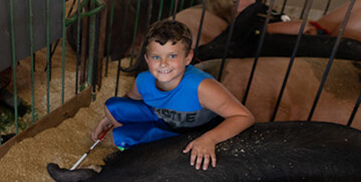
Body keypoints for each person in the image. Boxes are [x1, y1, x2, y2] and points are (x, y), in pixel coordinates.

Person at [91, 19, 254, 169]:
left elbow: (244, 116)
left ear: (188, 57)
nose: (163, 63)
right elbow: (130, 100)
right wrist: (107, 118)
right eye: (156, 57)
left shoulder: (202, 87)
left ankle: (156, 150)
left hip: (191, 133)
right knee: (112, 107)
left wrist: (209, 139)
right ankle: (150, 143)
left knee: (122, 138)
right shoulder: (143, 80)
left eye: (172, 55)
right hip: (162, 121)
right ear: (147, 59)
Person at [184, 0, 361, 54]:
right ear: (234, 3)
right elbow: (273, 35)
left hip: (319, 28)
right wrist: (298, 27)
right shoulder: (248, 24)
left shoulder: (257, 13)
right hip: (324, 40)